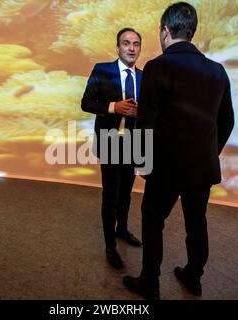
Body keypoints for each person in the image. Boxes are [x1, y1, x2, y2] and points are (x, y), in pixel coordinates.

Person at [123, 2, 234, 299]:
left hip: (165, 167)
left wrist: (142, 162)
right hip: (201, 167)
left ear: (166, 31)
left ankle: (150, 282)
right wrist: (209, 152)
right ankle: (193, 278)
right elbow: (227, 121)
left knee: (152, 219)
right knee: (197, 223)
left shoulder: (158, 66)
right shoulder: (218, 71)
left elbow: (146, 121)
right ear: (192, 31)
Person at [81, 28, 144, 269]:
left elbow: (149, 110)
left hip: (134, 142)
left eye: (136, 44)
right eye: (126, 43)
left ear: (139, 49)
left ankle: (123, 229)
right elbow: (86, 103)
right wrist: (113, 107)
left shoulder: (144, 76)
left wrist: (143, 112)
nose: (131, 48)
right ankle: (110, 245)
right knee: (111, 194)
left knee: (126, 192)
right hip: (109, 141)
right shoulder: (102, 70)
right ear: (117, 47)